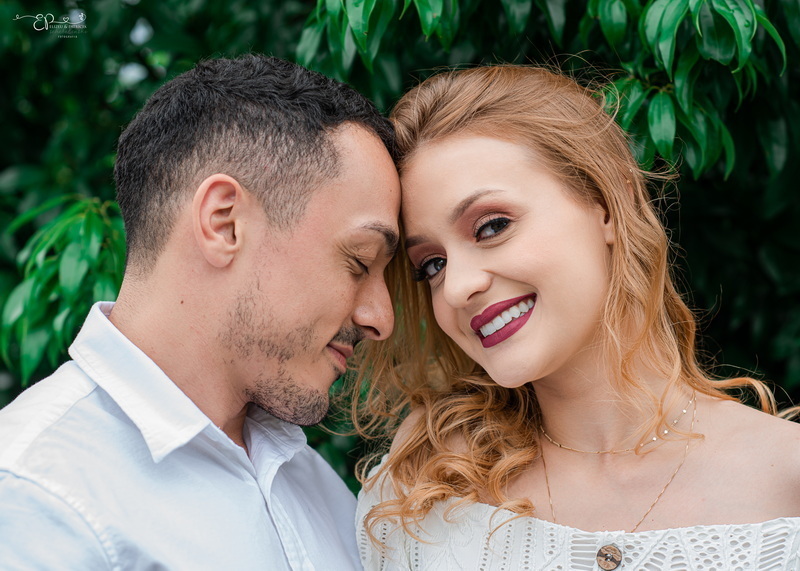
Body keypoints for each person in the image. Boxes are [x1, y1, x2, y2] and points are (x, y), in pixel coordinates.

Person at [352, 65, 800, 570]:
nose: (456, 288)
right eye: (432, 265)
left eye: (492, 226)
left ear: (607, 203)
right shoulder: (421, 491)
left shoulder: (787, 480)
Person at [0, 54, 400, 569]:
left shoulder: (317, 487)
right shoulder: (35, 498)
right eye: (359, 261)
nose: (380, 318)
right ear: (224, 222)